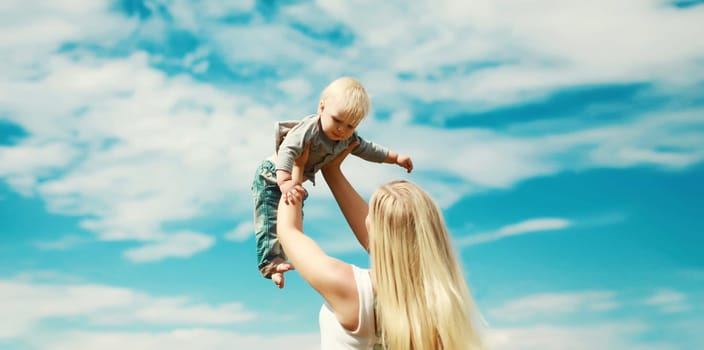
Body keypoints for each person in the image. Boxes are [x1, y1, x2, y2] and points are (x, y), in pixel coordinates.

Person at [276, 142, 483, 349]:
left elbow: (289, 231)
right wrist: (331, 170)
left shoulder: (349, 286)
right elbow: (393, 243)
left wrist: (297, 168)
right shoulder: (443, 301)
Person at [251, 77, 413, 288]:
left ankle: (280, 266)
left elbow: (369, 149)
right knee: (270, 219)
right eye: (337, 120)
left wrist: (395, 157)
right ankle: (270, 263)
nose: (341, 130)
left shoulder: (346, 138)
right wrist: (285, 180)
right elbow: (288, 149)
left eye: (350, 125)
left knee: (294, 217)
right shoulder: (310, 128)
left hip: (294, 180)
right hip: (272, 175)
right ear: (322, 107)